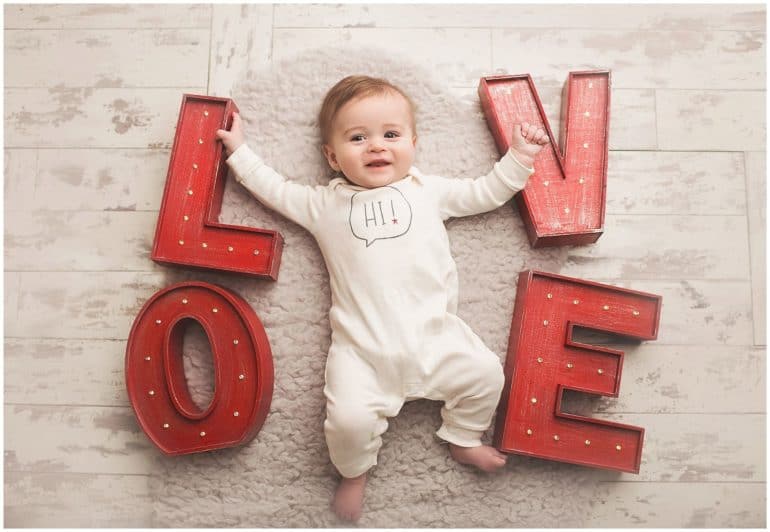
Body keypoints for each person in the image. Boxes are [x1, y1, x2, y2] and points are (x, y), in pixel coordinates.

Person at [217, 75, 549, 522]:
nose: (376, 147)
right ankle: (354, 473)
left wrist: (520, 156)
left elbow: (486, 192)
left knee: (487, 374)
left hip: (436, 339)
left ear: (413, 142)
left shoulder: (426, 191)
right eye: (358, 138)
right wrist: (238, 151)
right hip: (362, 352)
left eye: (391, 135)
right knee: (347, 422)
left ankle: (463, 437)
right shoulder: (323, 205)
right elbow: (273, 189)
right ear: (333, 157)